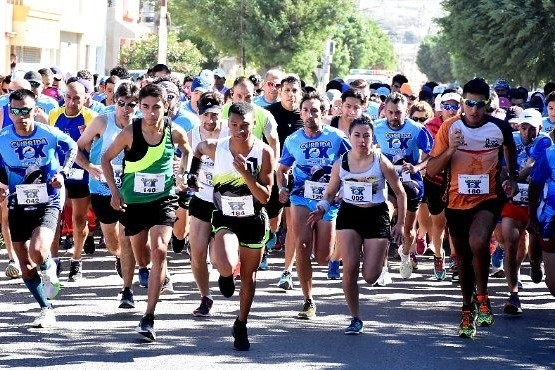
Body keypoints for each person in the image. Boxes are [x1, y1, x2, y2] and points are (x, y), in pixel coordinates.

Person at [427, 77, 519, 338]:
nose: (475, 109)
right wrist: (451, 149)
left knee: (479, 242)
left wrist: (511, 179)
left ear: (488, 104)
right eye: (469, 103)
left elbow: (509, 156)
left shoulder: (499, 127)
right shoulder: (449, 128)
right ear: (462, 103)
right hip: (455, 202)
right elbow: (432, 169)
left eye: (481, 104)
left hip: (488, 199)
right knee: (463, 258)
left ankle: (483, 295)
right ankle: (467, 308)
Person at [101, 83, 191, 341]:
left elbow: (187, 150)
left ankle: (149, 316)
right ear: (140, 107)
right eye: (146, 107)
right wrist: (115, 192)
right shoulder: (130, 132)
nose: (151, 112)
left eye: (157, 107)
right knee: (142, 256)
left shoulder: (175, 131)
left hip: (163, 199)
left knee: (159, 249)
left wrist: (182, 172)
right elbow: (106, 159)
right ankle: (143, 268)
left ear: (167, 107)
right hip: (134, 202)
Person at [307, 115, 406, 334]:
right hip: (349, 214)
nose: (362, 140)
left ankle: (376, 257)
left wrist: (400, 224)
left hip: (376, 214)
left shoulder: (381, 161)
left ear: (373, 138)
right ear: (350, 137)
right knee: (350, 268)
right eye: (357, 135)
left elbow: (400, 193)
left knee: (370, 276)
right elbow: (331, 192)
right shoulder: (341, 162)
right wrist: (321, 208)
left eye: (367, 136)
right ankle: (355, 317)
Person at [188, 102, 274, 351]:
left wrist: (247, 175)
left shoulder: (264, 152)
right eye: (234, 125)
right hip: (226, 216)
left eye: (245, 125)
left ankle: (241, 323)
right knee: (224, 262)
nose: (239, 130)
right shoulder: (219, 147)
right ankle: (225, 276)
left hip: (254, 220)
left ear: (253, 124)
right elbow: (198, 148)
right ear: (228, 125)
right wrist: (192, 175)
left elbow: (265, 197)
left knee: (248, 276)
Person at [0, 89, 78, 327]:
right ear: (10, 112)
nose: (21, 116)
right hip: (17, 202)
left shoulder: (49, 133)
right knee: (25, 265)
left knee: (37, 250)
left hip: (48, 199)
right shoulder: (3, 137)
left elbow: (73, 147)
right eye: (16, 111)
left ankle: (48, 265)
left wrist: (62, 174)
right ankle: (46, 308)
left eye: (26, 110)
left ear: (34, 110)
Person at [277, 91, 351, 319]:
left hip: (328, 200)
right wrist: (282, 188)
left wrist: (343, 190)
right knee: (302, 245)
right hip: (300, 196)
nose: (310, 115)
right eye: (306, 111)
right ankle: (308, 300)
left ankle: (336, 246)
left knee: (322, 257)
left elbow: (352, 164)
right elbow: (282, 170)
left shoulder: (338, 137)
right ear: (301, 113)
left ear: (325, 112)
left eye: (315, 111)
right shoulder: (292, 140)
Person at [76, 81, 139, 309]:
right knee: (113, 241)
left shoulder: (142, 123)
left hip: (130, 189)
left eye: (131, 105)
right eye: (121, 103)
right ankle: (119, 257)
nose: (126, 109)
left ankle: (127, 290)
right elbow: (77, 148)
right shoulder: (103, 120)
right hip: (102, 188)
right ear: (114, 101)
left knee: (127, 236)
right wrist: (89, 167)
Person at [373, 92, 433, 279]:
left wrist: (417, 167)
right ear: (384, 111)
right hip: (386, 181)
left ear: (406, 111)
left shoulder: (417, 129)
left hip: (410, 182)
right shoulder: (376, 128)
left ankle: (406, 254)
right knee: (383, 222)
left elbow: (432, 155)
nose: (394, 117)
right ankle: (382, 268)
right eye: (390, 112)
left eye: (398, 113)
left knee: (407, 229)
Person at [500, 109, 552, 314]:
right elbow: (502, 166)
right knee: (510, 243)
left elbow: (531, 165)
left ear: (540, 128)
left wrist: (514, 180)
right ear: (518, 126)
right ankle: (513, 296)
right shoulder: (510, 140)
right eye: (524, 127)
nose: (527, 132)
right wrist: (506, 180)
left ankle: (535, 262)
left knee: (536, 242)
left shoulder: (544, 141)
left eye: (532, 128)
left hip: (536, 202)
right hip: (513, 200)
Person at [49, 81, 97, 281]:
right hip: (58, 172)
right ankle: (54, 260)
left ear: (85, 98)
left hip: (80, 172)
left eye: (77, 98)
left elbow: (95, 148)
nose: (71, 102)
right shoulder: (54, 114)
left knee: (79, 218)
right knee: (54, 217)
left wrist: (91, 140)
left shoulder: (91, 117)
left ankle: (76, 260)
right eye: (68, 97)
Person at [187, 92, 228, 317]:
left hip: (226, 202)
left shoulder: (230, 134)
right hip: (201, 199)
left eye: (214, 115)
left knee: (220, 259)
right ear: (198, 114)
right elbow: (183, 163)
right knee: (197, 252)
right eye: (205, 115)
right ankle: (205, 296)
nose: (210, 120)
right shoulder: (191, 135)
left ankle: (226, 272)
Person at [528, 133, 555, 298]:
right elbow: (535, 185)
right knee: (553, 286)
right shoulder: (549, 154)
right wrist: (532, 217)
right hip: (550, 220)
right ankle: (535, 262)